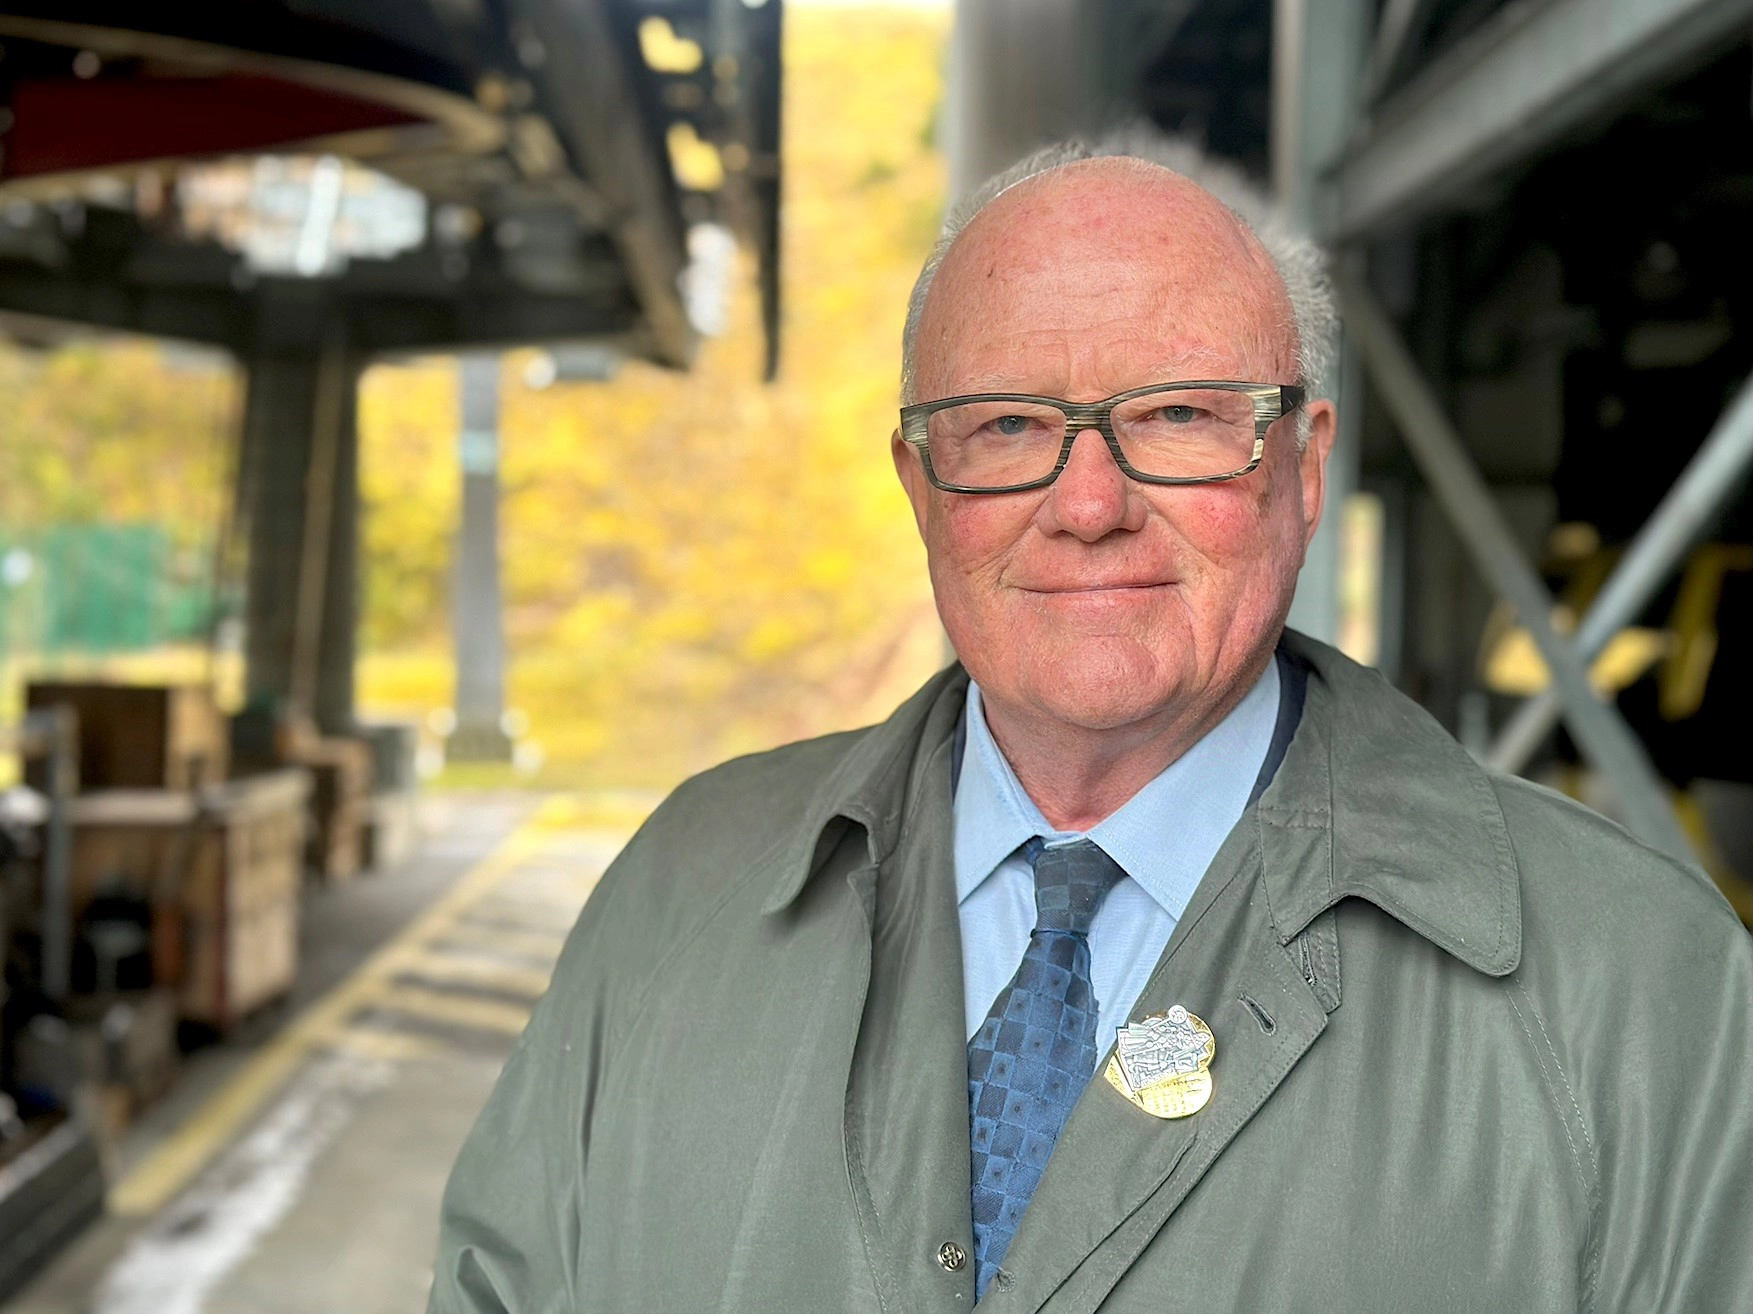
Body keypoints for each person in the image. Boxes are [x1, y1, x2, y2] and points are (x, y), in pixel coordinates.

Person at [426, 137, 1753, 1312]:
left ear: (1300, 468)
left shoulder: (1643, 991)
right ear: (923, 484)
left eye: (1176, 414)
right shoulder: (673, 895)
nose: (1088, 502)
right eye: (1006, 427)